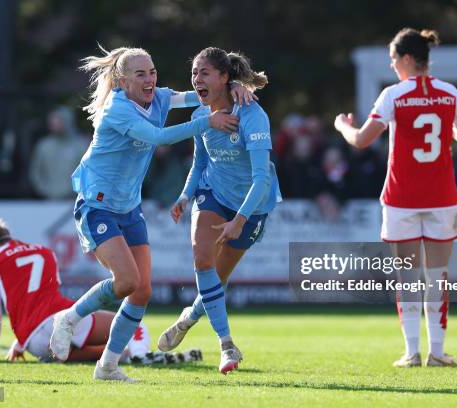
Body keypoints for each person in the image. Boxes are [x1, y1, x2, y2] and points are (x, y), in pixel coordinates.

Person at [48, 46, 255, 383]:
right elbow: (159, 137)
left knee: (142, 292)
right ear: (122, 80)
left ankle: (107, 367)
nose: (150, 79)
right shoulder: (117, 109)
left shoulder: (158, 97)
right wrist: (207, 121)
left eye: (152, 72)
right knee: (127, 281)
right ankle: (69, 318)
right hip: (97, 204)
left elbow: (195, 96)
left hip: (129, 208)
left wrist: (233, 88)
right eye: (140, 74)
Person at [334, 28, 457, 368]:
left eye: (394, 59)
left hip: (402, 198)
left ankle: (412, 352)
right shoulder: (449, 93)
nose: (392, 65)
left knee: (408, 276)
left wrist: (342, 125)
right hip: (442, 197)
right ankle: (438, 352)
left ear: (408, 59)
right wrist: (448, 133)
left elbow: (361, 140)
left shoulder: (394, 95)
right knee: (438, 275)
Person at [157, 47, 281, 374]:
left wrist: (240, 220)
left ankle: (189, 317)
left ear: (224, 78)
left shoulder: (253, 116)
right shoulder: (201, 115)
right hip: (213, 195)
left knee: (216, 282)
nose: (197, 79)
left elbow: (261, 179)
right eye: (194, 73)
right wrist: (185, 196)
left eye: (204, 73)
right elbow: (200, 163)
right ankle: (226, 345)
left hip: (252, 207)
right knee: (202, 260)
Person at [0, 216, 150, 364]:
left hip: (34, 343)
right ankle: (140, 355)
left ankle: (127, 355)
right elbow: (42, 297)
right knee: (134, 324)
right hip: (61, 320)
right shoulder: (45, 251)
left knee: (61, 352)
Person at [28, 106, 88, 199]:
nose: (54, 124)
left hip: (74, 200)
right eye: (52, 121)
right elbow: (35, 172)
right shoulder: (44, 145)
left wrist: (75, 190)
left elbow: (87, 172)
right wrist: (45, 190)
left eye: (58, 121)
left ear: (67, 121)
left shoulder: (80, 145)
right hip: (48, 200)